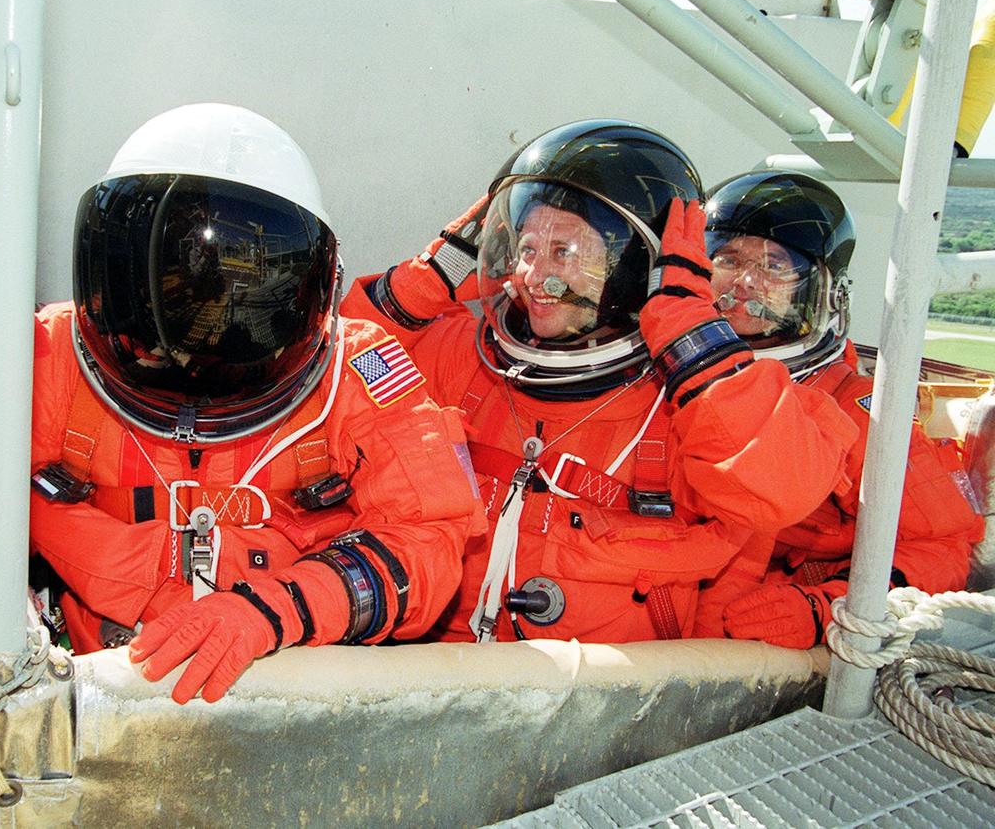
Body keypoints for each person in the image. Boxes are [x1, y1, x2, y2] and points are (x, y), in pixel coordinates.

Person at [0, 103, 484, 701]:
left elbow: (429, 540)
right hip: (91, 686)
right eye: (182, 278)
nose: (194, 341)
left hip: (292, 679)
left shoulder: (357, 372)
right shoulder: (44, 356)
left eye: (235, 285)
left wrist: (276, 610)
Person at [341, 120, 858, 644]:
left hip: (608, 686)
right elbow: (335, 377)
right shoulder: (465, 358)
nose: (533, 276)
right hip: (443, 666)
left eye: (564, 252)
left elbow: (780, 490)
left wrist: (687, 328)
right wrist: (424, 282)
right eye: (527, 250)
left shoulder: (688, 402)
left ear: (631, 267)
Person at [690, 170, 985, 648]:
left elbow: (942, 547)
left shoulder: (853, 409)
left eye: (774, 266)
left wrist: (828, 607)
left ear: (824, 292)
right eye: (728, 259)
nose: (745, 282)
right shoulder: (662, 372)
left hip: (753, 630)